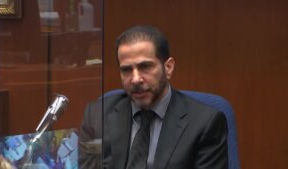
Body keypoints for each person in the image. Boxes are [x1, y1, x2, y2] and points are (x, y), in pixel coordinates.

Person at [79, 25, 228, 169]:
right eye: (126, 70)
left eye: (145, 67)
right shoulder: (97, 116)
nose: (135, 79)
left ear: (168, 67)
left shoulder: (204, 124)